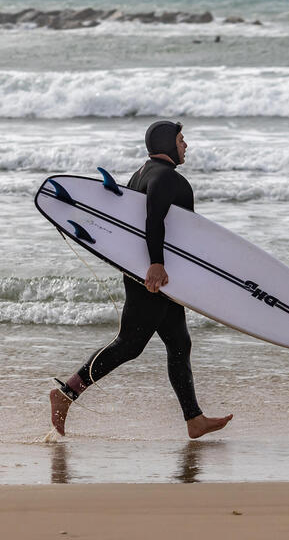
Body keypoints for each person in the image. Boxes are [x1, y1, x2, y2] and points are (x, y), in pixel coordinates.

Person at [49, 121, 233, 439]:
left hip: (156, 272)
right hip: (154, 273)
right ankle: (67, 392)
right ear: (167, 143)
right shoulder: (165, 178)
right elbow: (152, 220)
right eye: (181, 139)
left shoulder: (143, 173)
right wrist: (157, 264)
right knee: (130, 344)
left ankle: (194, 419)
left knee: (179, 344)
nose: (185, 145)